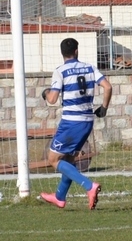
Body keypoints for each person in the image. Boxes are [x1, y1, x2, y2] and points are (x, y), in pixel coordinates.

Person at [39, 38, 112, 210]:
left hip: (71, 122)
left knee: (53, 159)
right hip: (87, 121)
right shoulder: (90, 68)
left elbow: (52, 99)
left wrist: (46, 92)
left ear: (62, 53)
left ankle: (89, 186)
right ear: (77, 51)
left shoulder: (60, 71)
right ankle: (59, 197)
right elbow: (108, 87)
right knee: (69, 159)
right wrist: (103, 108)